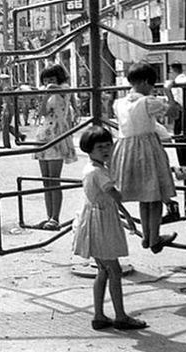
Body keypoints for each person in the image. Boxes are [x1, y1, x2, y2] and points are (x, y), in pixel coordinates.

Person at [73, 126, 147, 331]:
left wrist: (127, 216)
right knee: (113, 269)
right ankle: (121, 316)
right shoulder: (99, 172)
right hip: (101, 222)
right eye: (100, 147)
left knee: (104, 271)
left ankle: (99, 315)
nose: (105, 150)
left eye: (108, 145)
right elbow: (115, 195)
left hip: (97, 218)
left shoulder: (93, 168)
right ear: (89, 149)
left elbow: (111, 198)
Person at [110, 61, 181, 254]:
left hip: (126, 149)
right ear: (147, 82)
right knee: (155, 195)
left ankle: (147, 237)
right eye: (151, 84)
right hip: (147, 148)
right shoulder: (148, 102)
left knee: (144, 195)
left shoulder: (119, 103)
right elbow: (174, 113)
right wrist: (168, 92)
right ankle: (154, 237)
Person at [34, 64, 78, 231]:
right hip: (44, 133)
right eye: (45, 80)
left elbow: (61, 91)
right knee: (46, 180)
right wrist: (44, 93)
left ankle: (55, 217)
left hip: (57, 133)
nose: (48, 83)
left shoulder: (63, 89)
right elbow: (42, 112)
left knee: (54, 179)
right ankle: (48, 216)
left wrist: (48, 87)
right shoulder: (47, 92)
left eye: (51, 79)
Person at [0, 73, 27, 146]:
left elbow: (7, 100)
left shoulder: (6, 89)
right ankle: (20, 135)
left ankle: (6, 144)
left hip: (7, 109)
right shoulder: (9, 88)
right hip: (9, 108)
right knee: (7, 126)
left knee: (5, 127)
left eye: (2, 80)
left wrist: (6, 111)